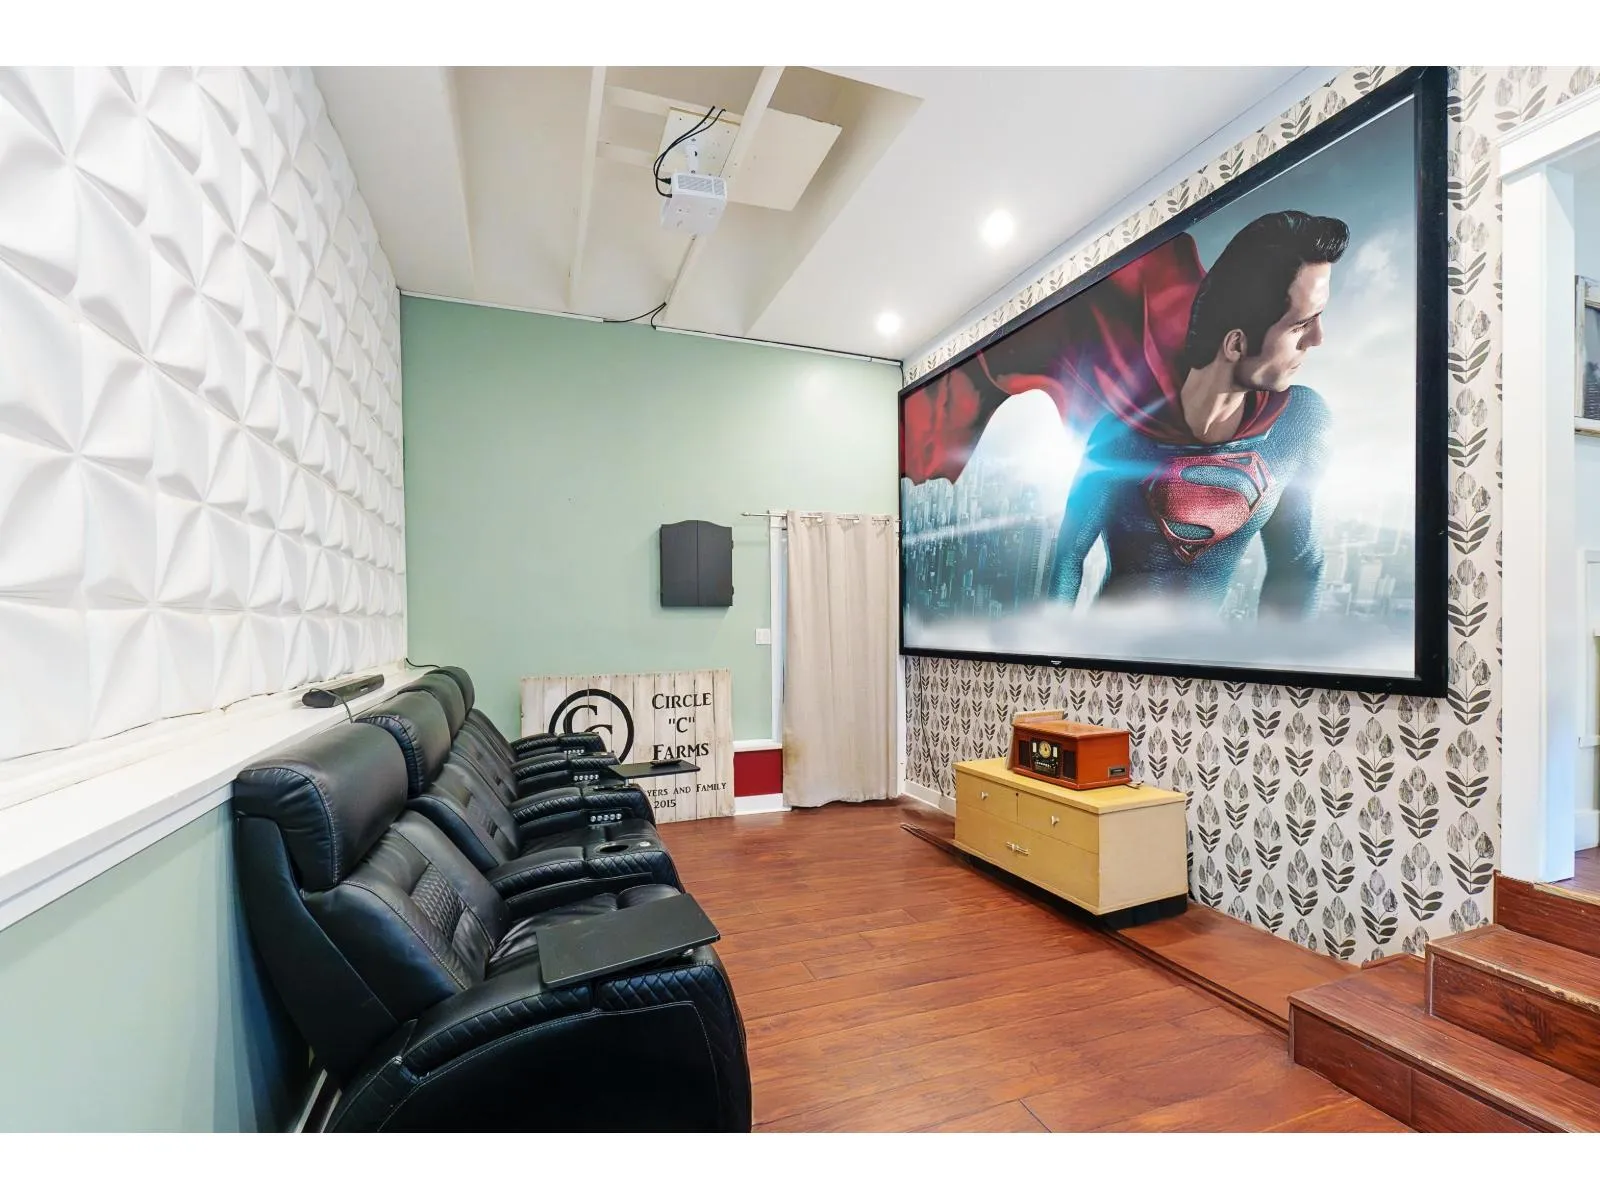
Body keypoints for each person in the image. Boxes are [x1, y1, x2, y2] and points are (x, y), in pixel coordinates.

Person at [899, 209, 1347, 620]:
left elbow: (1299, 565)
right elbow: (1068, 559)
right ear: (1235, 343)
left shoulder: (1301, 423)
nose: (1318, 339)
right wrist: (1052, 658)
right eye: (1300, 325)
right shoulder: (1121, 434)